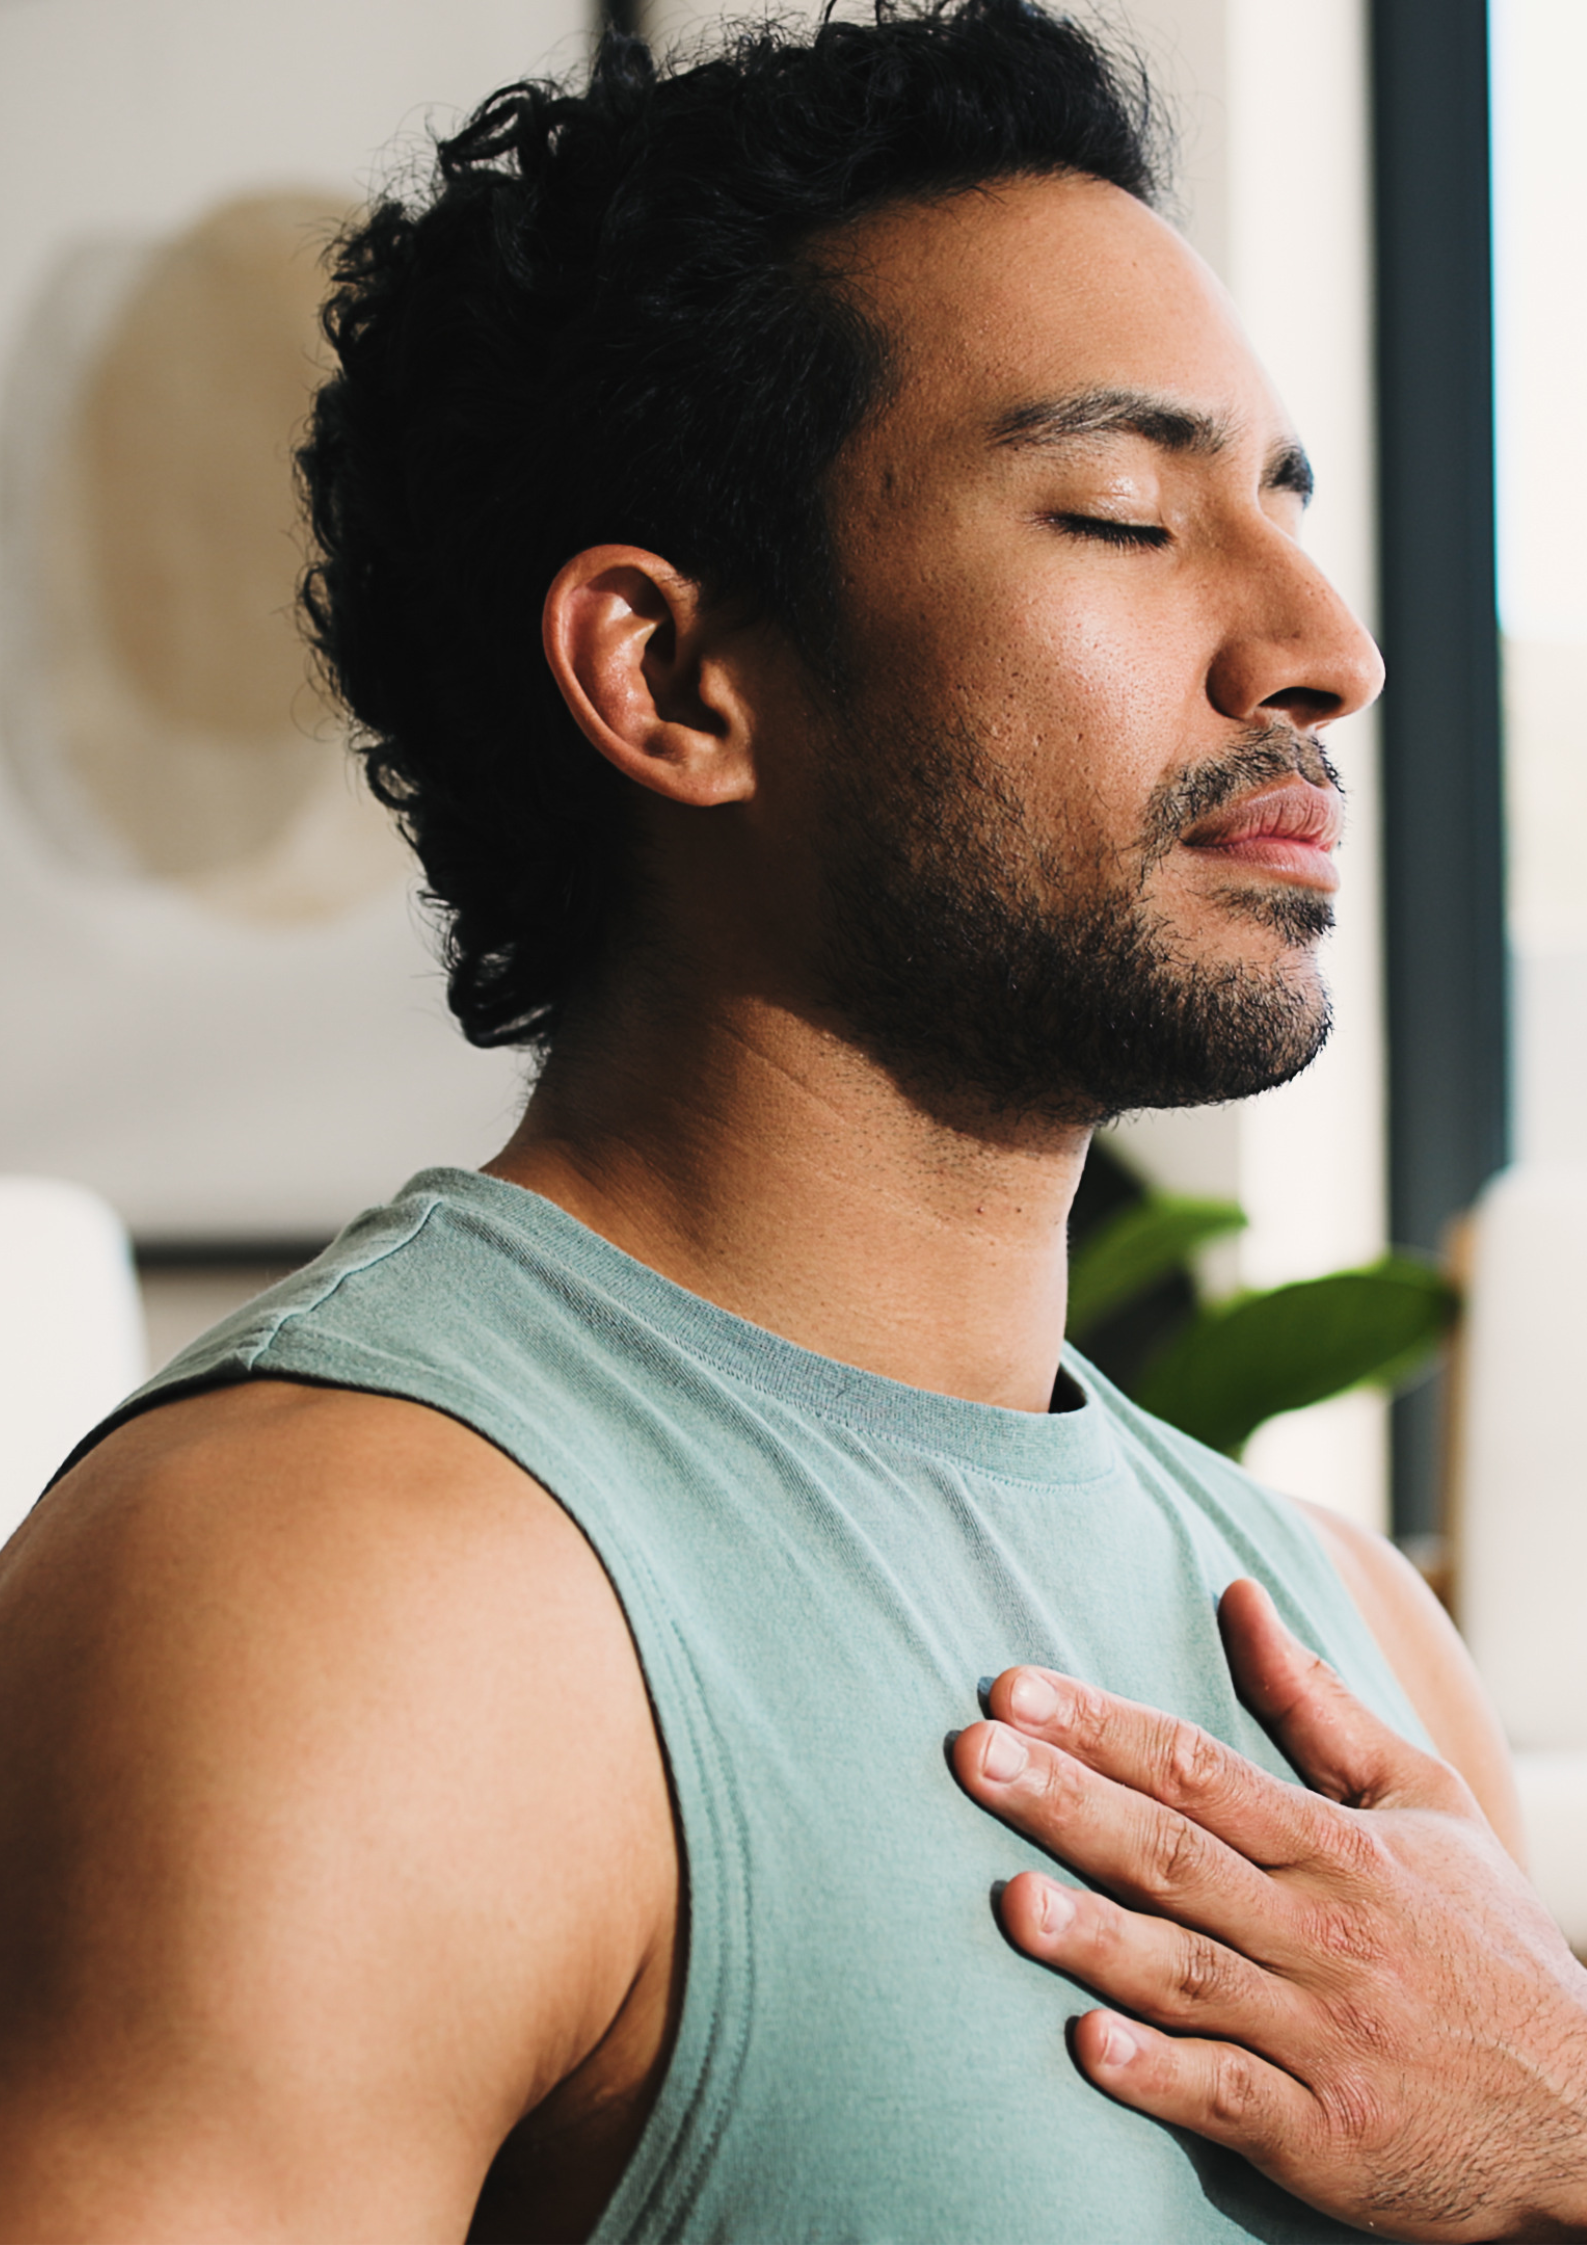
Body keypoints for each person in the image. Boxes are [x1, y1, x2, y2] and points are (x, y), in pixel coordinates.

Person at [2, 4, 1584, 2238]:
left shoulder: (1336, 1623)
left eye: (1286, 509)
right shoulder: (336, 1596)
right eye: (1126, 514)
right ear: (669, 680)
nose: (1323, 645)